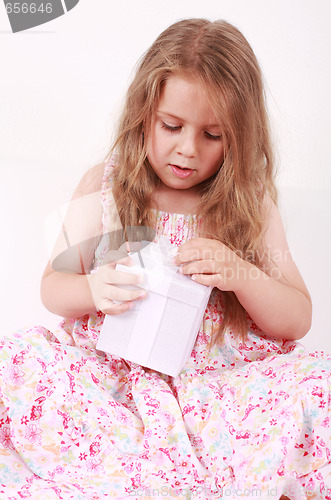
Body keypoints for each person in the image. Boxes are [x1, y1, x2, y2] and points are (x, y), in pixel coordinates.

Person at [0, 18, 330, 500]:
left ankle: (250, 473)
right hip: (114, 382)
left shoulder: (248, 200)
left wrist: (240, 273)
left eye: (213, 136)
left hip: (218, 388)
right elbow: (53, 284)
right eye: (171, 126)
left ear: (238, 137)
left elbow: (297, 318)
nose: (187, 149)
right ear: (144, 113)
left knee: (320, 379)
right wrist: (93, 288)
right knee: (17, 357)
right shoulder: (106, 183)